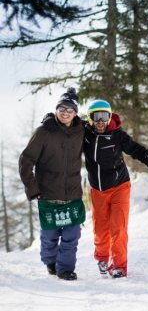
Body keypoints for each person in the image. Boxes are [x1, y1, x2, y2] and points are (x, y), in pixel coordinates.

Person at [83, 99, 148, 278]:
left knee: (118, 227)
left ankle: (119, 266)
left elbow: (139, 151)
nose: (100, 120)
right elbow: (66, 123)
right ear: (90, 118)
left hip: (119, 186)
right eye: (96, 116)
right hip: (97, 189)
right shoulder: (84, 133)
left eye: (104, 116)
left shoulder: (117, 135)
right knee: (100, 229)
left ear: (109, 117)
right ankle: (102, 257)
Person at [19, 87, 85, 281]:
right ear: (56, 110)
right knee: (50, 236)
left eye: (70, 109)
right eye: (62, 108)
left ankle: (65, 269)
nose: (65, 112)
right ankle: (50, 261)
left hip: (73, 194)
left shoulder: (81, 131)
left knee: (72, 235)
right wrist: (32, 188)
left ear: (75, 113)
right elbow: (26, 160)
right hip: (48, 194)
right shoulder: (43, 132)